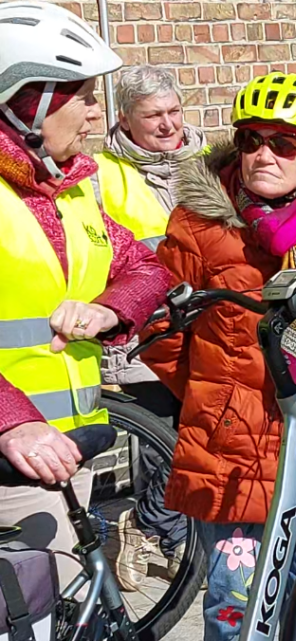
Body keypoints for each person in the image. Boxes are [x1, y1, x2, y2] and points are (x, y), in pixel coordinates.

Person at [139, 72, 296, 641]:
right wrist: (215, 391)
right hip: (233, 452)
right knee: (234, 609)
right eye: (251, 141)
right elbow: (161, 325)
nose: (263, 155)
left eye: (283, 143)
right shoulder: (200, 225)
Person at [0, 1, 170, 585]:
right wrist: (12, 422)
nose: (98, 116)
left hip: (66, 453)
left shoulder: (71, 188)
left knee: (70, 601)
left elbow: (147, 266)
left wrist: (108, 307)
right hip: (13, 457)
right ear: (29, 103)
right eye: (85, 98)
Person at [94, 65, 208, 591]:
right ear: (126, 120)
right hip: (145, 332)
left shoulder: (209, 164)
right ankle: (152, 528)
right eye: (153, 116)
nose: (168, 125)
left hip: (207, 327)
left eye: (173, 112)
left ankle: (157, 531)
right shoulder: (101, 173)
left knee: (199, 435)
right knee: (168, 440)